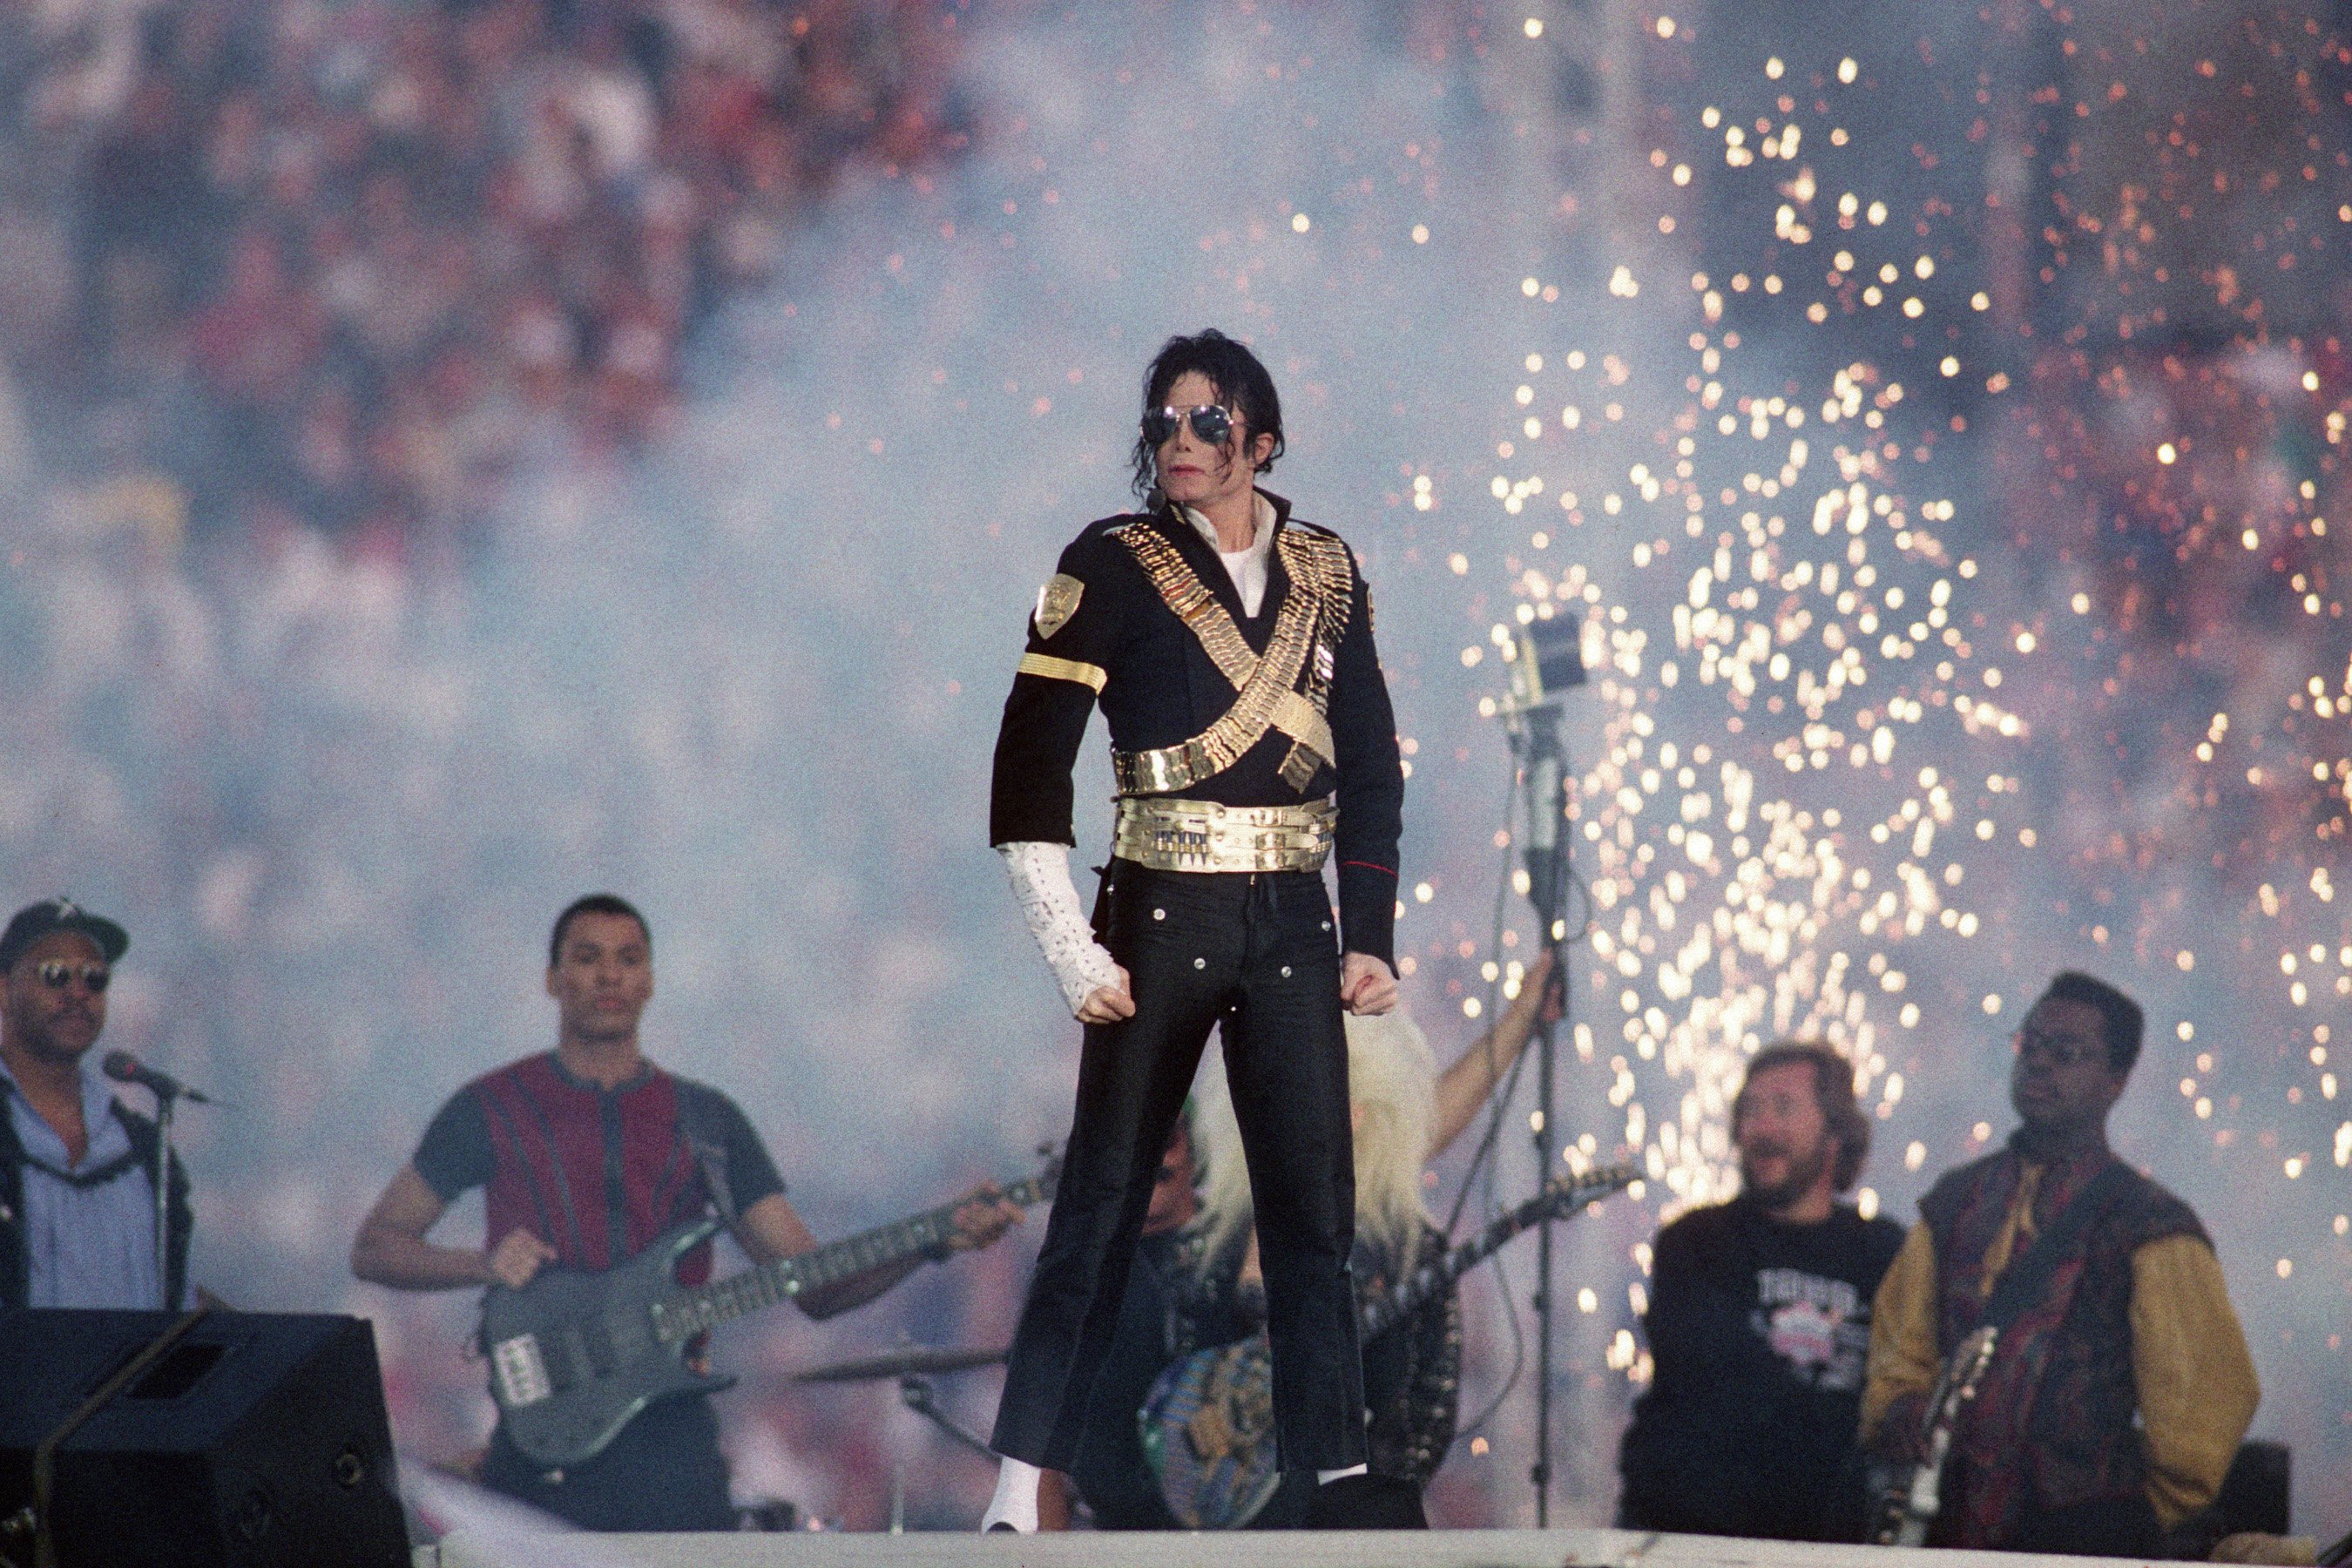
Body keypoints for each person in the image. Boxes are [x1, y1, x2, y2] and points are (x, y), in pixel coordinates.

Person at [983, 328, 1406, 1531]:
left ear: (1261, 441)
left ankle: (1334, 1481)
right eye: (1165, 423)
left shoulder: (1330, 568)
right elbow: (1028, 768)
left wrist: (1367, 931)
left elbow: (1370, 761)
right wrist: (1072, 947)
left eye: (1208, 422)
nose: (1180, 442)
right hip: (1156, 913)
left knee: (1311, 1215)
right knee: (1103, 1203)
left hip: (1292, 918)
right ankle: (1022, 1485)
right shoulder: (1110, 564)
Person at [350, 893, 1021, 1532]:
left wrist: (935, 1239)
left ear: (649, 981)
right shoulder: (491, 1107)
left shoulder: (708, 1122)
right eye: (588, 957)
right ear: (553, 978)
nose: (609, 973)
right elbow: (378, 1245)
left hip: (672, 1466)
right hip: (538, 1461)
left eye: (629, 957)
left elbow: (815, 1285)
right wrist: (482, 1264)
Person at [1044, 949, 1564, 1531]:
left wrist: (1521, 1018)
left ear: (1359, 1114)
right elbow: (1122, 1430)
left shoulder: (1405, 1253)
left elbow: (1419, 1431)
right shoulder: (1204, 1240)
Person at [1860, 971, 2260, 1557]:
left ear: (2116, 1080)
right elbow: (1898, 1357)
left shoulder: (2151, 1225)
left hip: (2083, 1541)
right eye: (2031, 1044)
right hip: (1942, 1528)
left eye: (2067, 1052)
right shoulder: (1953, 1204)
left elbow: (2201, 1419)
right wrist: (1903, 1415)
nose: (2040, 1063)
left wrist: (2122, 1520)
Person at [1617, 1040, 1903, 1542]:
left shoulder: (1882, 1252)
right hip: (1693, 1537)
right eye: (1749, 1110)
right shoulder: (1697, 1242)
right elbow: (1713, 1397)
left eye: (1783, 1108)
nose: (1760, 1129)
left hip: (1829, 1542)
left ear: (1836, 1132)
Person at [0, 896, 192, 1311]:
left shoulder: (145, 1151)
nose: (78, 993)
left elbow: (177, 1299)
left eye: (95, 978)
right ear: (3, 989)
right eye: (55, 975)